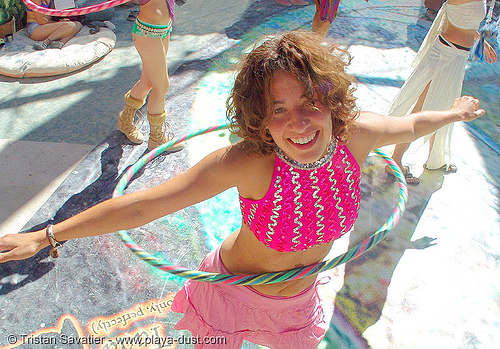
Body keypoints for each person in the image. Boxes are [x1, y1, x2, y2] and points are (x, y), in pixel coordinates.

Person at [0, 32, 485, 348]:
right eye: (278, 109)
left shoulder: (357, 135)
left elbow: (413, 122)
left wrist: (454, 113)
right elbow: (144, 205)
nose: (297, 122)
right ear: (260, 118)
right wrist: (46, 236)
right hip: (234, 292)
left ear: (332, 100)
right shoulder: (250, 164)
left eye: (310, 101)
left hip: (299, 298)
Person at [387, 0, 497, 184]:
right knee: (423, 110)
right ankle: (395, 160)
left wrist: (479, 39)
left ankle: (435, 159)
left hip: (456, 57)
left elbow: (463, 20)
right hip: (446, 55)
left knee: (447, 108)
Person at [117, 0, 184, 151]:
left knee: (148, 82)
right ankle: (156, 138)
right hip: (147, 33)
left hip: (163, 30)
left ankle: (125, 120)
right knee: (162, 86)